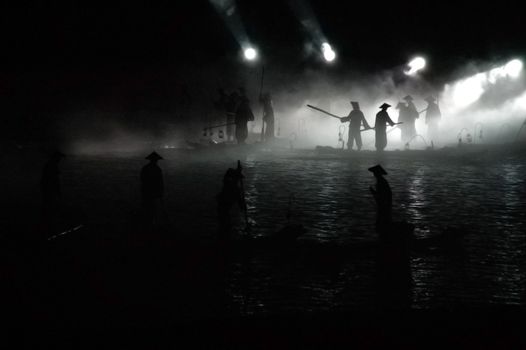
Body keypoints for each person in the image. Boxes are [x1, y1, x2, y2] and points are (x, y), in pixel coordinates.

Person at [216, 164, 245, 239]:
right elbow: (228, 173)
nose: (238, 180)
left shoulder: (231, 185)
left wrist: (242, 205)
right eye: (237, 178)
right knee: (224, 219)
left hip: (224, 204)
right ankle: (225, 235)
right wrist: (241, 206)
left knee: (224, 219)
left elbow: (239, 201)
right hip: (223, 203)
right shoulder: (229, 184)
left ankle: (225, 235)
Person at [40, 151, 65, 236]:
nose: (60, 160)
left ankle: (47, 225)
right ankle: (49, 226)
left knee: (48, 205)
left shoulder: (50, 165)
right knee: (50, 205)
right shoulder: (52, 166)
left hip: (46, 188)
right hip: (49, 188)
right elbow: (54, 180)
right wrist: (58, 191)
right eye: (59, 158)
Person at [140, 151, 164, 228]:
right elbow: (160, 182)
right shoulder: (157, 169)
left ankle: (146, 222)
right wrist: (161, 191)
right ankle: (152, 223)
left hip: (146, 190)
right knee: (153, 207)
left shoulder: (145, 168)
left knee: (146, 206)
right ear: (156, 160)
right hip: (154, 190)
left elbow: (142, 179)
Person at [368, 164, 392, 235]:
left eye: (375, 173)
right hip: (385, 204)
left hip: (383, 204)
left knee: (382, 221)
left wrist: (373, 192)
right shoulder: (382, 181)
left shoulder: (380, 182)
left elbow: (381, 195)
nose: (374, 174)